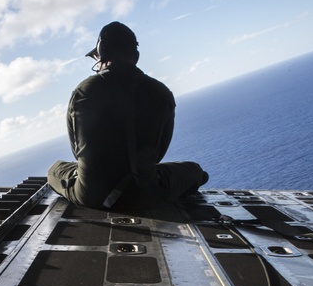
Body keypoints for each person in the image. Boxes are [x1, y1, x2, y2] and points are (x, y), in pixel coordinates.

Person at [47, 21, 207, 211]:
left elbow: (77, 152)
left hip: (93, 195)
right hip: (147, 192)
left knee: (54, 170)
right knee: (195, 171)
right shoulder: (161, 92)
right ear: (136, 56)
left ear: (102, 52)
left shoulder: (84, 91)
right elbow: (158, 153)